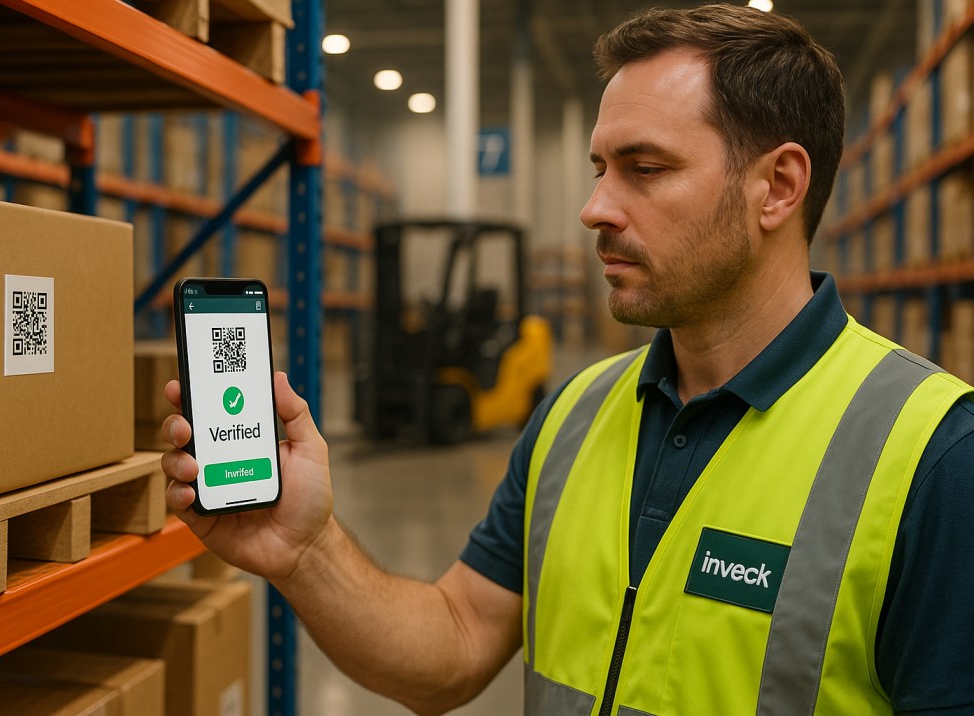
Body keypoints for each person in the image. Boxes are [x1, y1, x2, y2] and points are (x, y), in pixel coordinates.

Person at [161, 5, 974, 714]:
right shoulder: (575, 414)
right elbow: (450, 650)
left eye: (644, 169)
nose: (592, 209)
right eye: (596, 169)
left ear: (777, 186)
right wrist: (306, 552)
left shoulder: (932, 457)